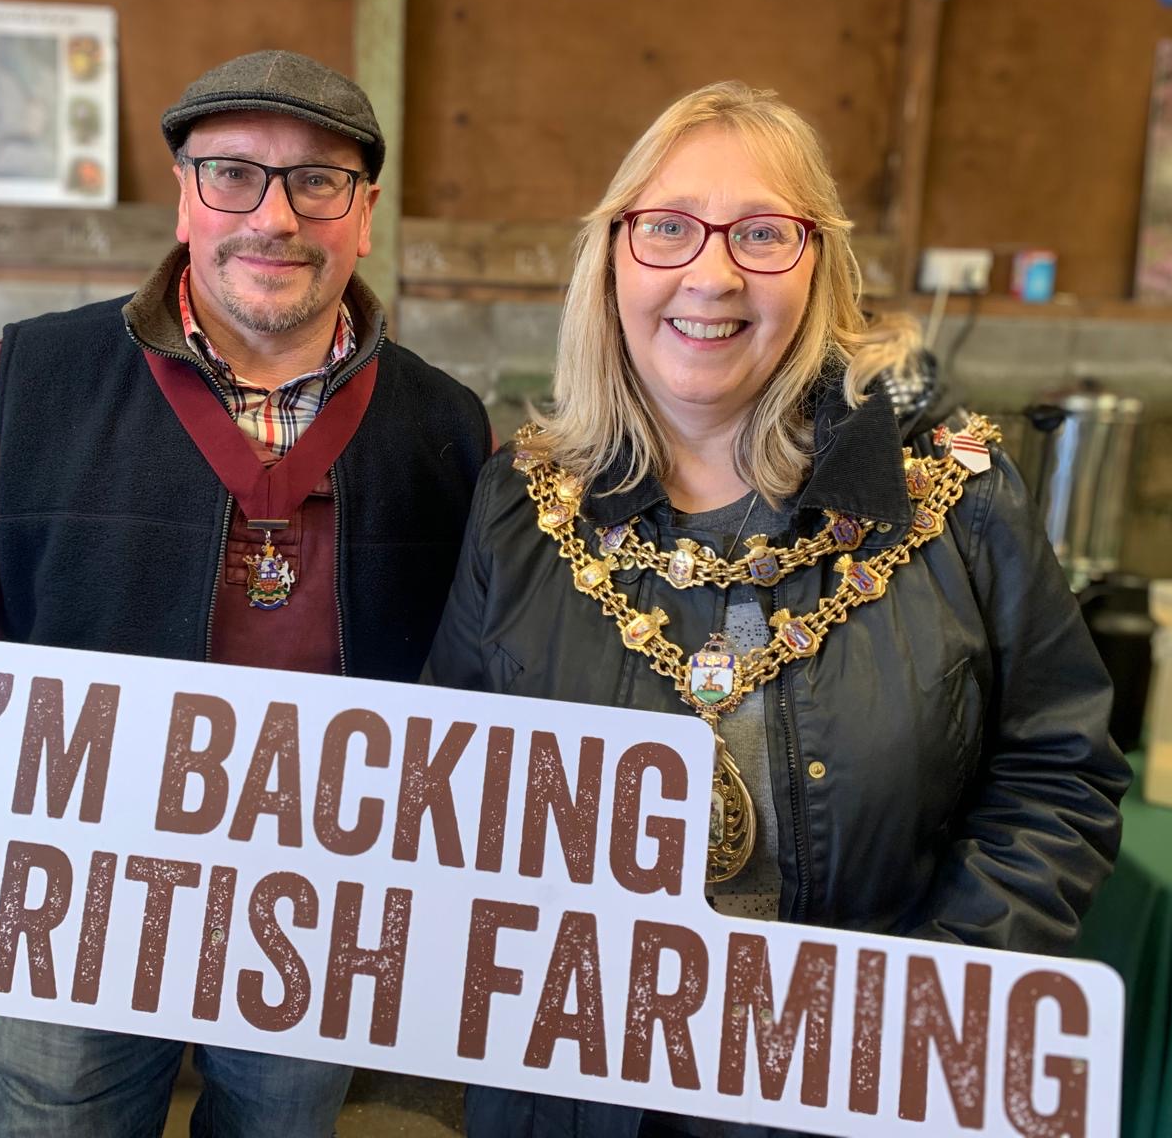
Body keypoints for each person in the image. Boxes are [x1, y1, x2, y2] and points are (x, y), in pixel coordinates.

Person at [422, 81, 1129, 1137]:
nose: (709, 274)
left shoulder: (958, 499)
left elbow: (1056, 770)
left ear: (820, 267)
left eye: (761, 232)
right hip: (575, 1086)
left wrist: (932, 1002)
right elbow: (453, 777)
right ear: (612, 258)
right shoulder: (520, 507)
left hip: (856, 1084)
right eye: (665, 228)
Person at [0, 49, 491, 1138]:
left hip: (317, 905)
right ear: (184, 199)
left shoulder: (450, 431)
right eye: (233, 176)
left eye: (317, 180)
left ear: (364, 214)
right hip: (68, 896)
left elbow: (475, 684)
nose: (274, 216)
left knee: (277, 1126)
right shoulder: (28, 382)